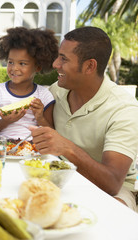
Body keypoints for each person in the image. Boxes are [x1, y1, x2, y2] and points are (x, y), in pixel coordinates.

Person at [29, 26, 138, 211]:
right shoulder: (56, 91)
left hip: (113, 192)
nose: (55, 64)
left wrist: (67, 148)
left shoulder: (124, 109)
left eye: (63, 59)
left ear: (89, 66)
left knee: (110, 213)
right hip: (59, 177)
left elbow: (112, 183)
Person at [0, 27, 58, 139]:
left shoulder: (44, 95)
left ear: (37, 67)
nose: (14, 68)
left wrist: (39, 117)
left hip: (33, 150)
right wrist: (5, 122)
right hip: (4, 149)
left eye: (22, 63)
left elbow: (51, 133)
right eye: (10, 62)